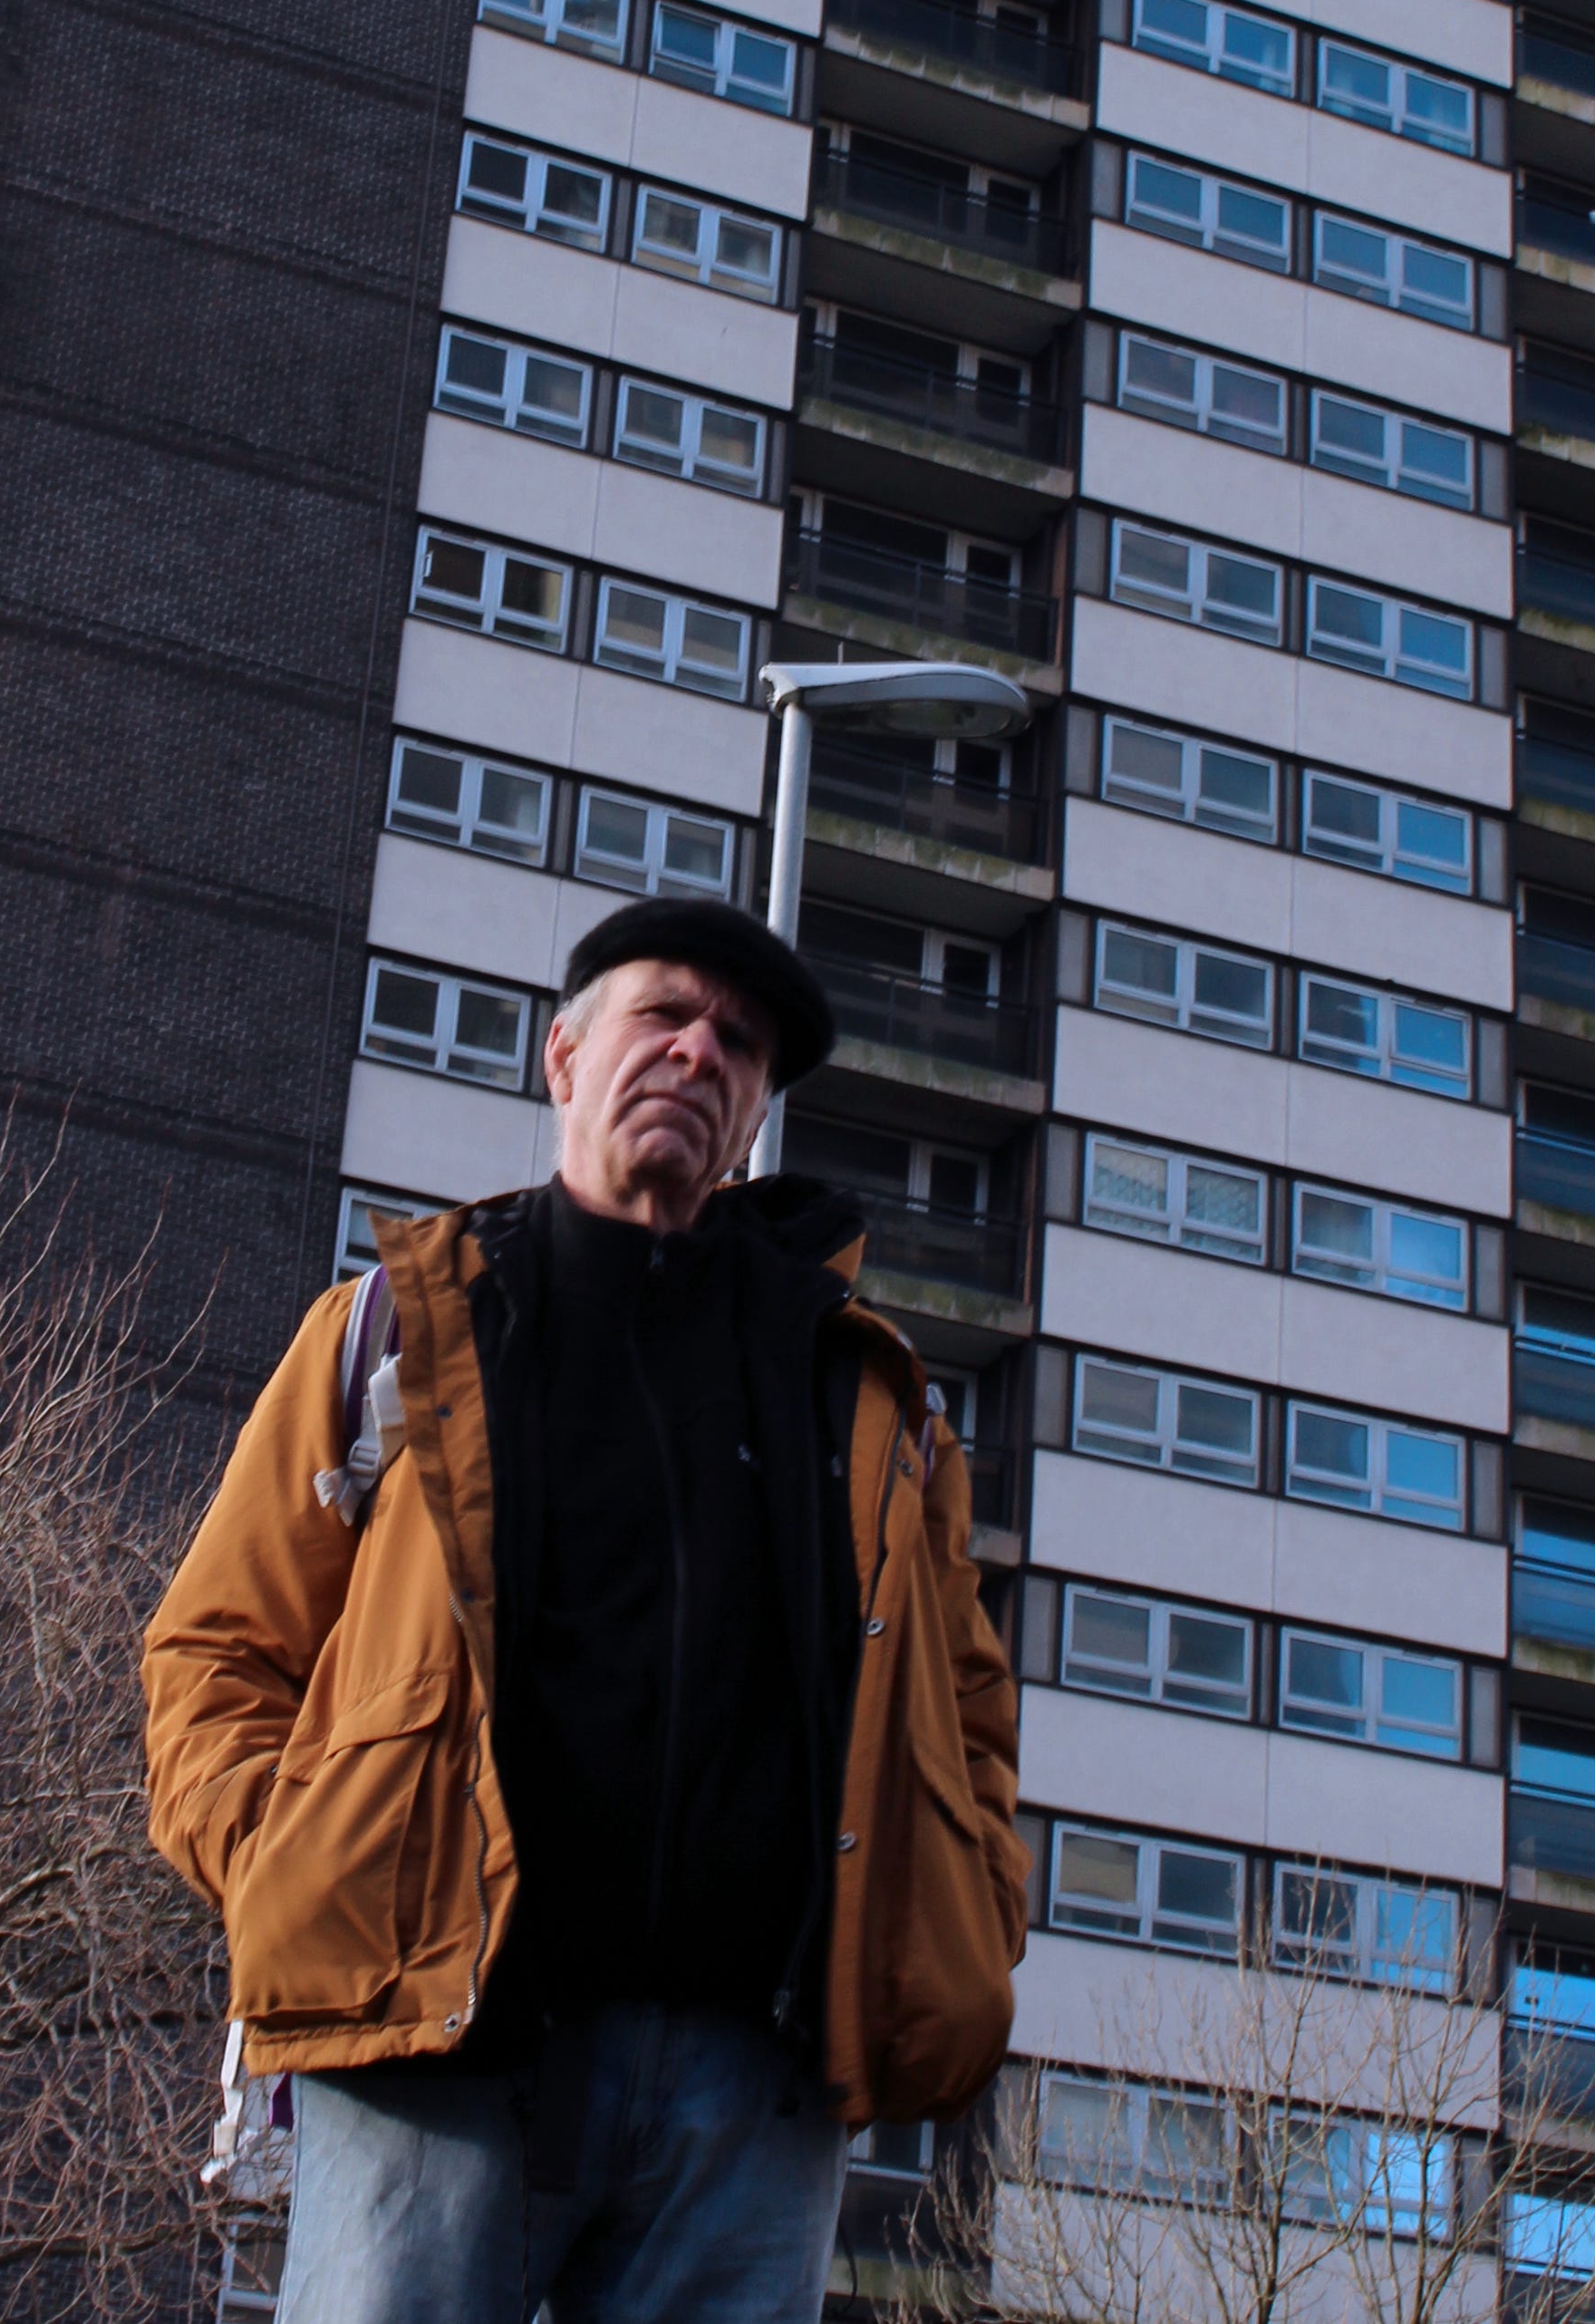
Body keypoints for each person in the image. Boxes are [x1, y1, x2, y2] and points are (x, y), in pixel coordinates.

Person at [142, 894, 1028, 2323]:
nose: (699, 1051)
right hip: (439, 2039)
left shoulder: (867, 1397)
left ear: (752, 1121)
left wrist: (973, 1915)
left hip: (758, 2085)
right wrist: (291, 1869)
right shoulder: (395, 1332)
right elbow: (216, 1650)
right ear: (564, 1057)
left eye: (738, 1044)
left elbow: (970, 1721)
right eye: (662, 1015)